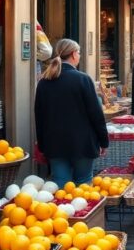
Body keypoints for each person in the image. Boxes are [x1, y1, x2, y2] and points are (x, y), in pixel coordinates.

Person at [34, 39, 109, 188]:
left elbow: (39, 117)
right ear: (74, 54)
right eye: (79, 52)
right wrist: (103, 141)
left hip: (55, 144)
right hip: (83, 144)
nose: (79, 56)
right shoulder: (83, 79)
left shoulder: (44, 82)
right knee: (83, 186)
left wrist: (42, 145)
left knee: (61, 186)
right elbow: (96, 115)